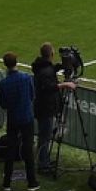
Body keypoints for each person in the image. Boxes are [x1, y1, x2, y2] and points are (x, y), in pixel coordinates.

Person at [0, 53, 38, 191]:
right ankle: (32, 182)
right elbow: (32, 95)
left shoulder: (3, 83)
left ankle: (6, 183)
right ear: (16, 62)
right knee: (28, 149)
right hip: (26, 117)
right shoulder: (25, 78)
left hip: (13, 118)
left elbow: (3, 104)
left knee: (11, 149)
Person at [31, 43, 61, 171]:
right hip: (46, 107)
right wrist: (63, 85)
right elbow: (48, 86)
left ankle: (44, 160)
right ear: (52, 54)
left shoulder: (41, 67)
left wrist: (59, 67)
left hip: (42, 105)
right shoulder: (45, 71)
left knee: (44, 135)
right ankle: (43, 164)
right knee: (45, 136)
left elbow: (49, 71)